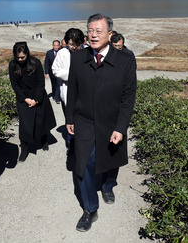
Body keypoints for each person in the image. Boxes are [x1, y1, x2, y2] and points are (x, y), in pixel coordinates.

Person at [65, 13, 137, 232]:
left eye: (98, 31)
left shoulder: (124, 60)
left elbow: (128, 97)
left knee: (109, 158)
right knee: (84, 163)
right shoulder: (78, 58)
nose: (93, 35)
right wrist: (69, 118)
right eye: (90, 30)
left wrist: (121, 127)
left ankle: (107, 186)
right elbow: (73, 91)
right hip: (84, 120)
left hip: (111, 122)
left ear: (110, 34)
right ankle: (89, 209)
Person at [9, 42, 56, 162]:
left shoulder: (35, 62)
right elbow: (15, 84)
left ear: (27, 54)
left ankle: (44, 140)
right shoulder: (12, 65)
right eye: (18, 57)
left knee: (41, 120)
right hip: (23, 97)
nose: (20, 59)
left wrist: (36, 100)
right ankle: (24, 148)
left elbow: (41, 83)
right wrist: (25, 99)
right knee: (25, 125)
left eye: (23, 57)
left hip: (38, 96)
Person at [51, 28, 85, 156]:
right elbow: (55, 70)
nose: (74, 47)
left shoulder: (86, 52)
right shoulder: (62, 53)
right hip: (67, 91)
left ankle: (82, 144)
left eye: (76, 45)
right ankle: (71, 143)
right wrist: (71, 75)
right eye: (71, 44)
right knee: (69, 119)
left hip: (84, 93)